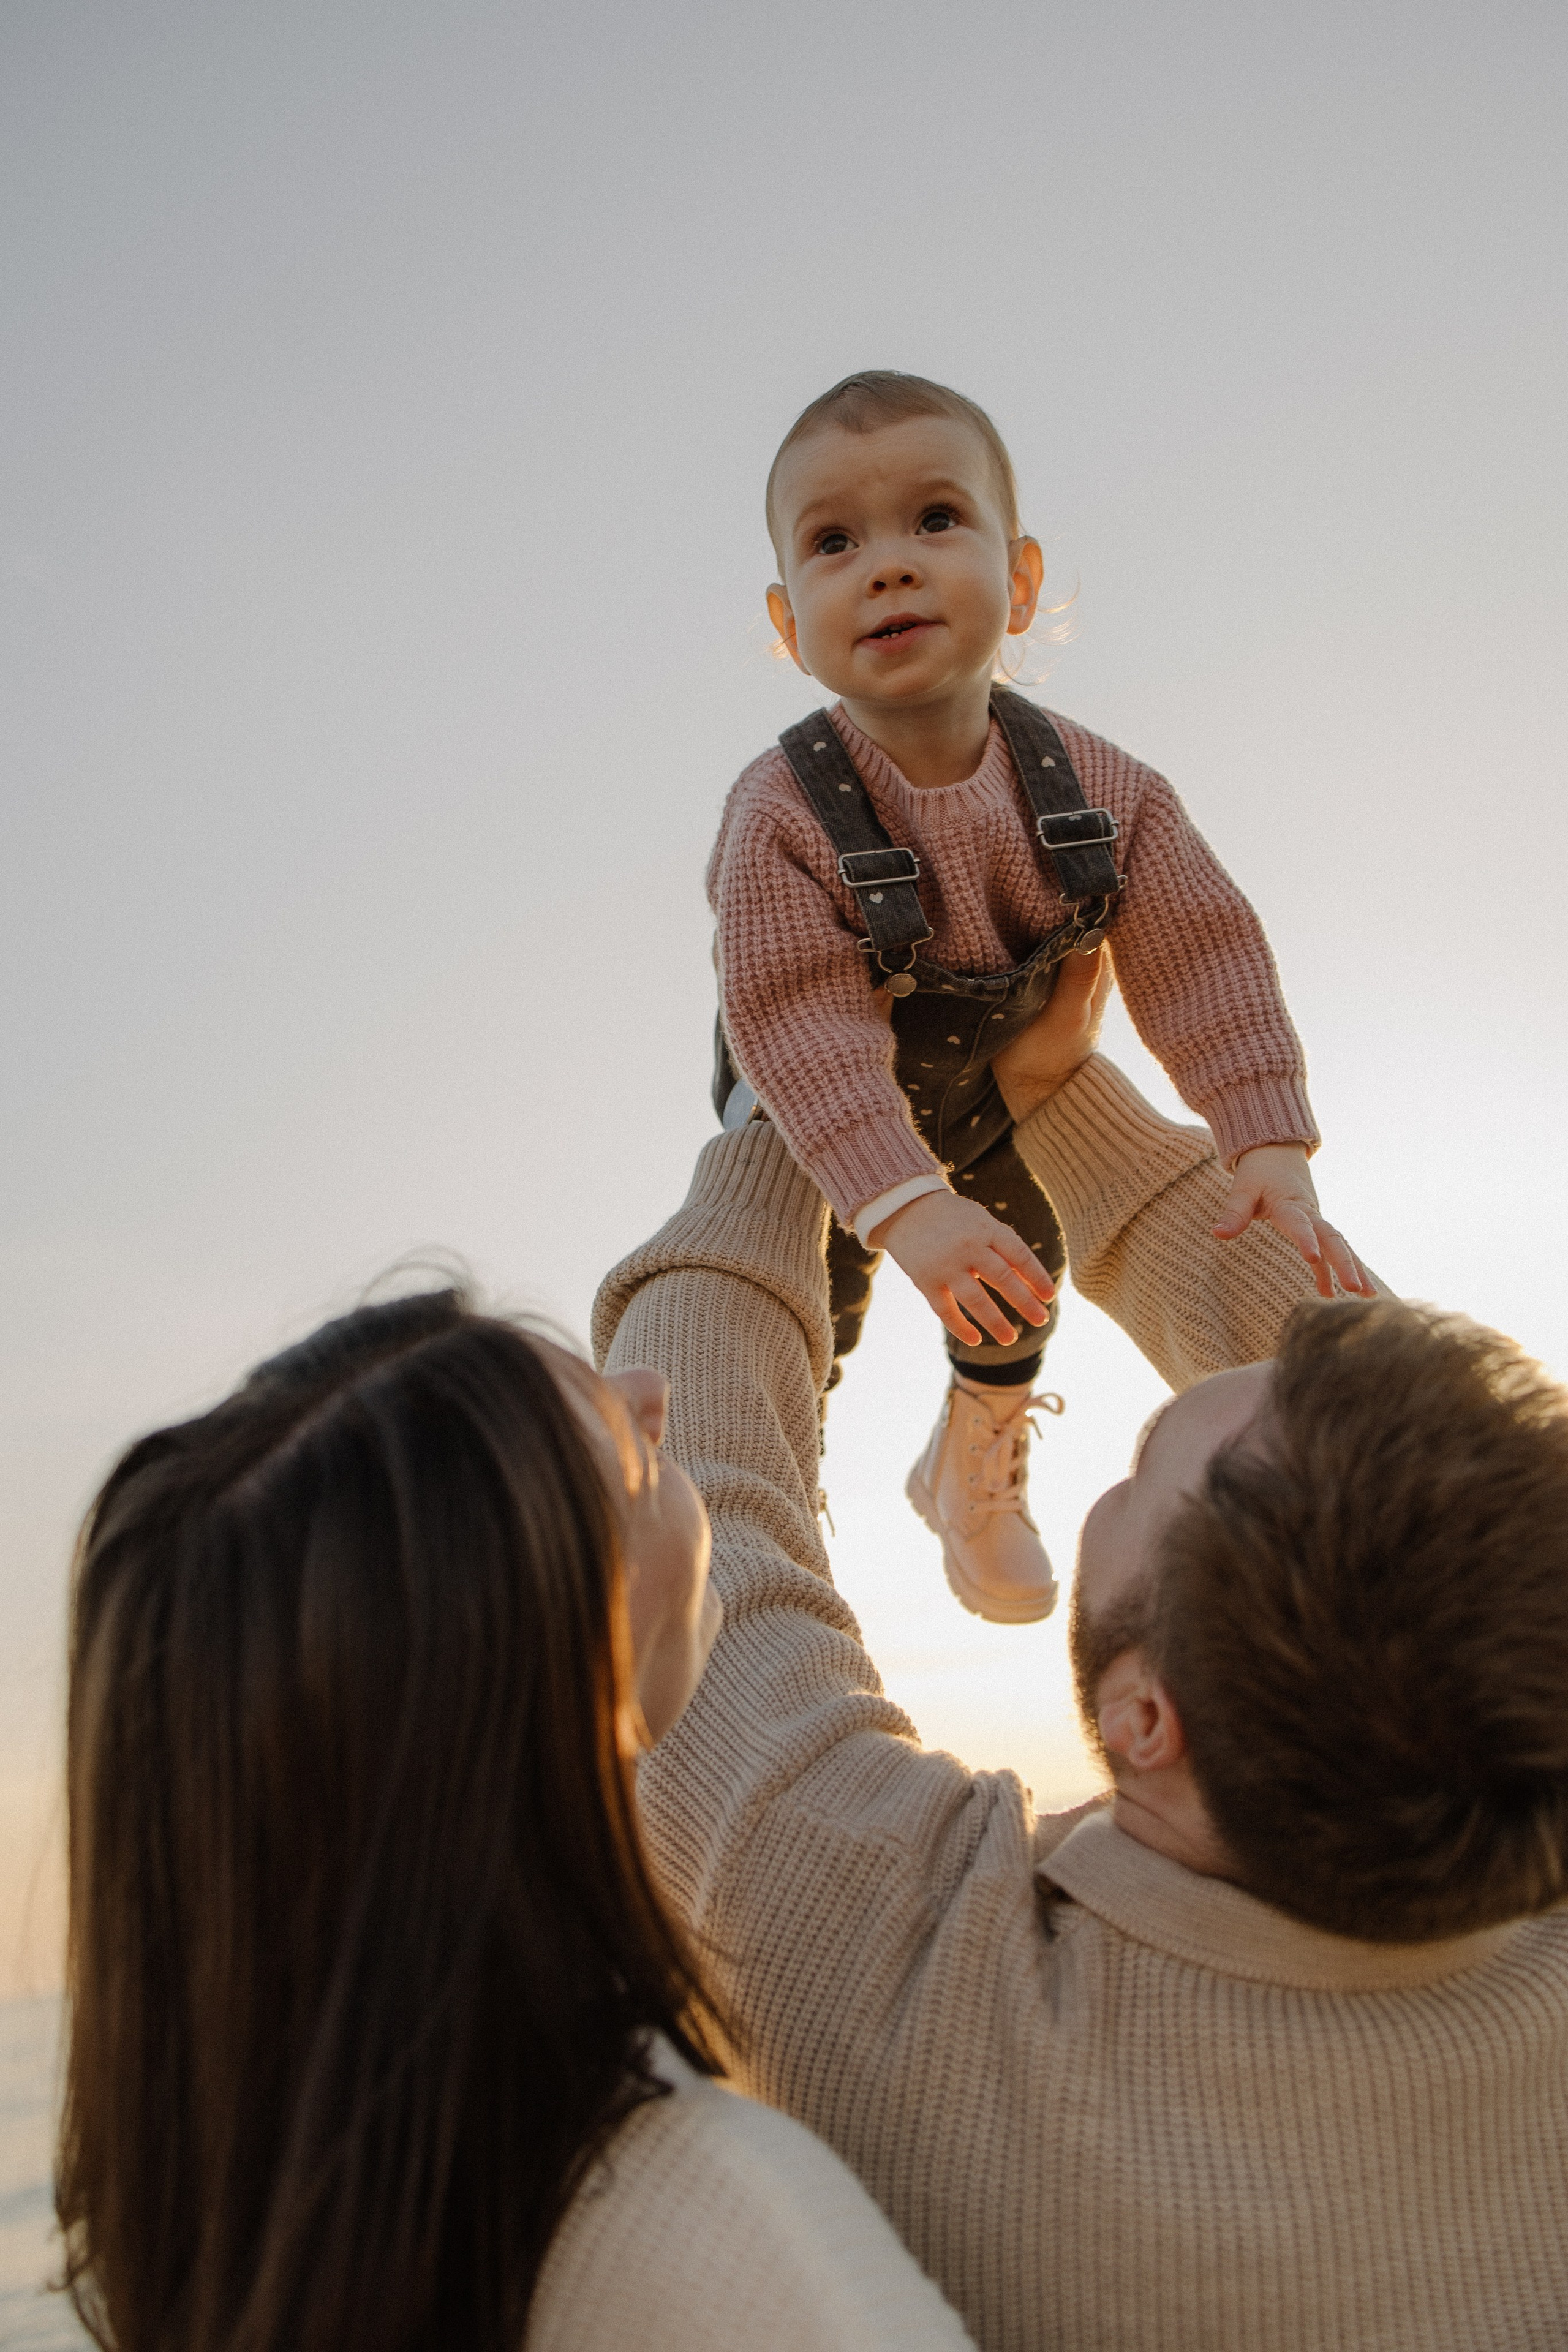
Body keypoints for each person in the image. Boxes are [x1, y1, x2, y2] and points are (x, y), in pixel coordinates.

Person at [597, 946, 1568, 2352]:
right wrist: (1053, 1093)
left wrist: (780, 1116)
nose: (1114, 1477)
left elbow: (698, 1503)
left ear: (1141, 1719)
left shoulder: (917, 1986)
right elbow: (1458, 1510)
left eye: (1130, 1472)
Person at [55, 1295, 975, 2351]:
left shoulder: (243, 2233)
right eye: (629, 1469)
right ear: (541, 1690)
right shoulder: (721, 2234)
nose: (652, 1392)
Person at [709, 368, 1372, 1627]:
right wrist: (903, 1204)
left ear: (1019, 583)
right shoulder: (780, 813)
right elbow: (796, 1018)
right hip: (812, 1112)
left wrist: (1264, 1142)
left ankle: (973, 1452)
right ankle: (782, 1507)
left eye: (935, 519)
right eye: (834, 542)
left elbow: (1203, 954)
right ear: (789, 625)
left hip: (995, 1079)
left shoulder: (1100, 789)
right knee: (811, 1303)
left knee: (1020, 1269)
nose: (888, 566)